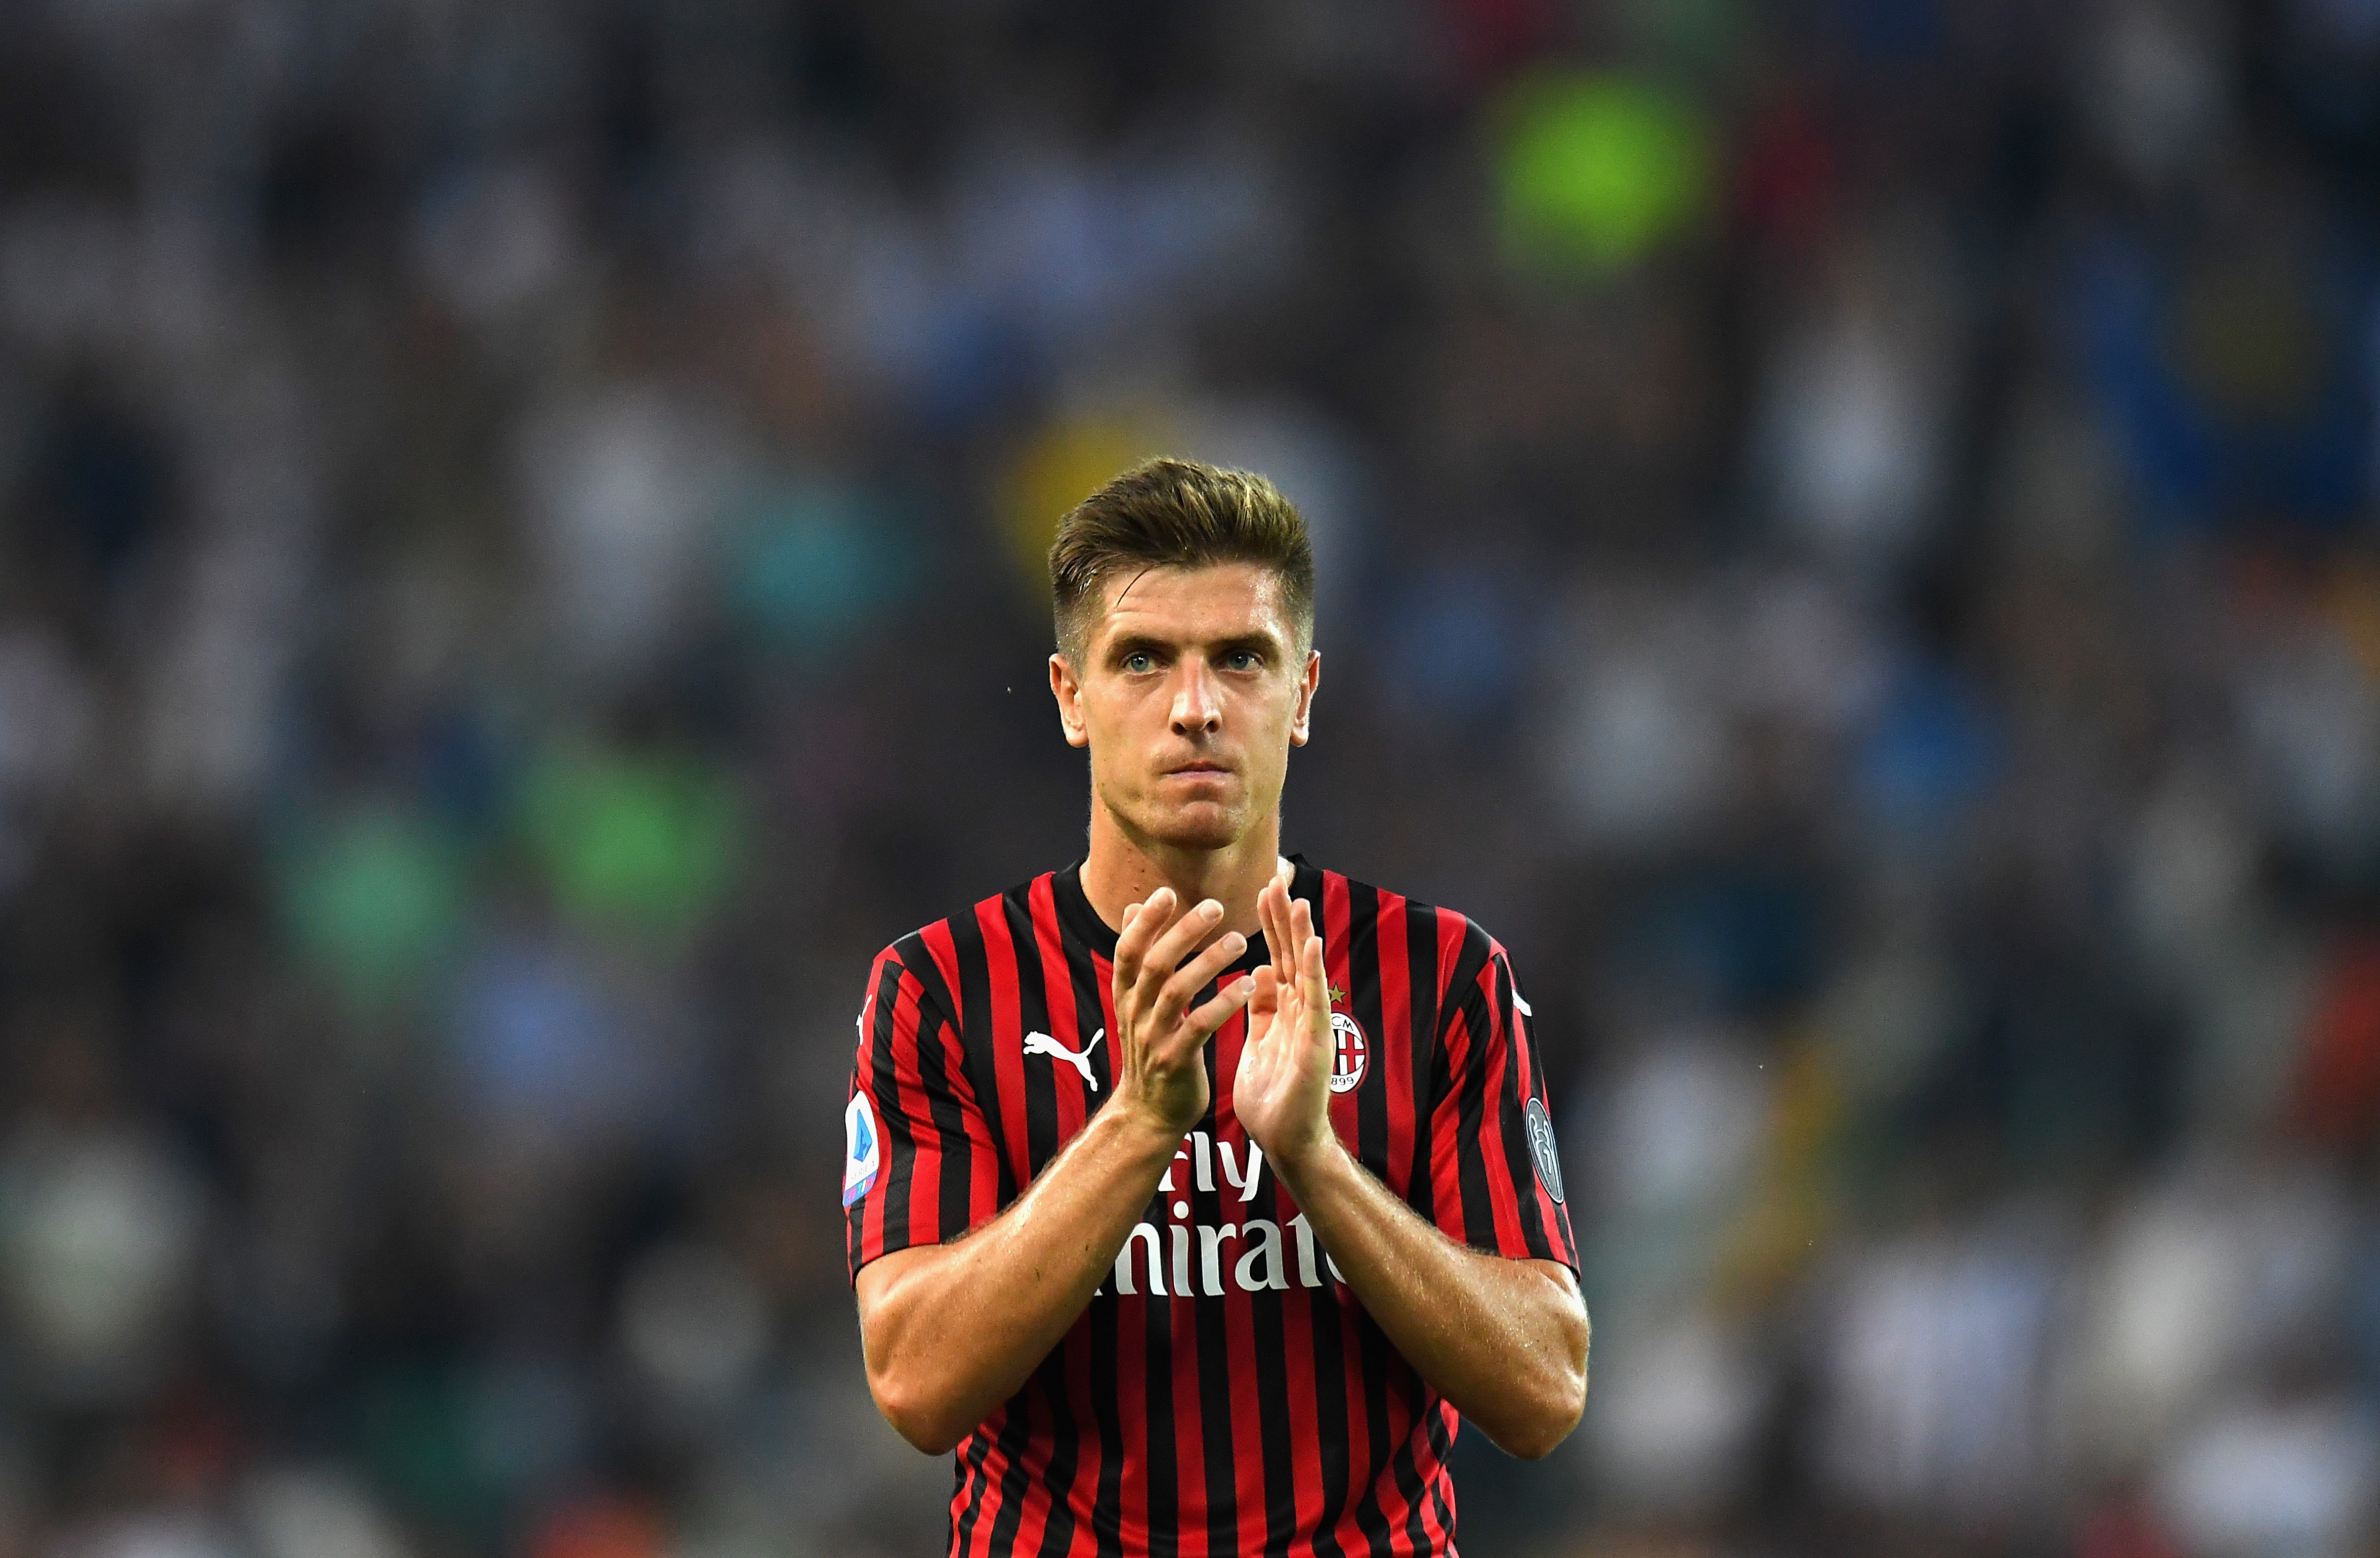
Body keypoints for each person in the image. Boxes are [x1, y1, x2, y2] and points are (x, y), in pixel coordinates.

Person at [844, 458, 1587, 1554]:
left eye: (1241, 658)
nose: (1195, 708)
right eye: (1142, 660)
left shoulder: (1442, 977)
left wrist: (1317, 1162)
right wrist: (1140, 1124)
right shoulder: (944, 987)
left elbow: (1546, 1389)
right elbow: (915, 1384)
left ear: (1305, 694)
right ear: (1070, 697)